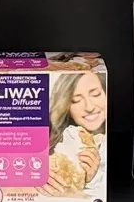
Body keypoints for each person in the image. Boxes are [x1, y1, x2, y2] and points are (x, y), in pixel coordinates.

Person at [46, 62, 108, 195]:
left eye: (96, 94)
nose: (89, 107)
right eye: (76, 100)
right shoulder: (57, 146)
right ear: (65, 107)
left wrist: (94, 178)